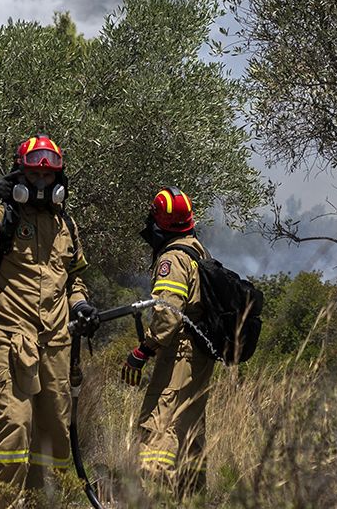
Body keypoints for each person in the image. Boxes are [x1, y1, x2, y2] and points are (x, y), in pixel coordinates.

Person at [0, 134, 93, 506]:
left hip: (56, 344)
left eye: (49, 178)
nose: (42, 184)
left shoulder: (67, 226)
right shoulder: (2, 217)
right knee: (12, 426)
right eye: (35, 176)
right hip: (12, 337)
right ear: (20, 175)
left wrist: (79, 305)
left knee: (54, 437)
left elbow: (75, 279)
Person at [123, 188, 216, 495]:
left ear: (159, 222)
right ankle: (192, 496)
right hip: (199, 355)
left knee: (160, 424)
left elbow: (169, 316)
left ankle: (155, 493)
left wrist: (143, 350)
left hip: (181, 353)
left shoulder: (173, 258)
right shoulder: (197, 250)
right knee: (188, 427)